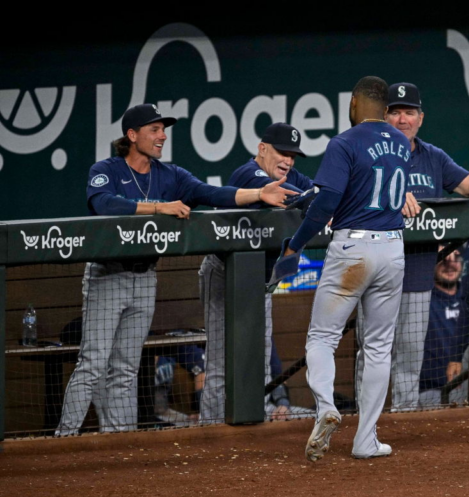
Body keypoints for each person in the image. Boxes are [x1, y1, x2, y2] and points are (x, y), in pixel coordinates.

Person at [55, 104, 295, 437]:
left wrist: (258, 193)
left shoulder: (170, 175)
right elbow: (103, 203)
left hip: (145, 277)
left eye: (163, 129)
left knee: (126, 369)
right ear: (132, 135)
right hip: (108, 275)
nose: (162, 135)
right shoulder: (107, 168)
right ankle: (64, 437)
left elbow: (211, 193)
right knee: (94, 363)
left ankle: (119, 438)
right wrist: (158, 208)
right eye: (154, 130)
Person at [268, 76, 414, 461]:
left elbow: (331, 197)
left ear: (354, 103)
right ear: (385, 110)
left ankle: (327, 407)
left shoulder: (344, 142)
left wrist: (296, 243)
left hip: (354, 248)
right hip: (393, 248)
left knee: (322, 338)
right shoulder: (401, 142)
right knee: (379, 348)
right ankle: (366, 440)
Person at [367, 82, 469, 412]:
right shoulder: (368, 151)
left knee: (409, 359)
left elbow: (468, 183)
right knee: (371, 355)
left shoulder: (433, 158)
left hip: (417, 273)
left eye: (410, 112)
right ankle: (363, 421)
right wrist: (392, 194)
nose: (403, 119)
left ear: (421, 118)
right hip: (374, 270)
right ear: (384, 116)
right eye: (396, 112)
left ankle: (401, 421)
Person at [198, 122, 313, 425]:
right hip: (226, 275)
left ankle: (252, 432)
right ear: (262, 150)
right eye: (281, 153)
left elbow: (319, 192)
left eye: (293, 155)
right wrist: (311, 198)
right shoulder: (248, 174)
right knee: (221, 363)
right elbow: (289, 195)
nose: (288, 161)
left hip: (261, 281)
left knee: (258, 363)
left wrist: (318, 196)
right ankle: (208, 434)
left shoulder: (291, 175)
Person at [417, 248, 469, 408]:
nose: (450, 265)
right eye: (443, 260)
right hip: (431, 390)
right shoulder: (422, 298)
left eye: (455, 259)